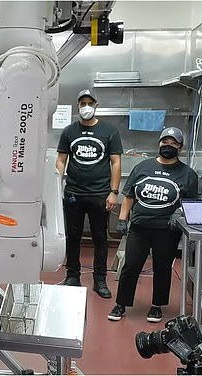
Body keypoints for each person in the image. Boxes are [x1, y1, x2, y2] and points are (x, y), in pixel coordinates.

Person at [108, 127, 198, 322]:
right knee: (131, 266)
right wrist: (123, 219)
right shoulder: (142, 168)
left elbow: (190, 205)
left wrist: (179, 213)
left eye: (173, 143)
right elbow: (129, 196)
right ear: (159, 144)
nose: (168, 146)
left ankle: (157, 306)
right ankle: (121, 303)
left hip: (167, 231)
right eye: (165, 142)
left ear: (180, 148)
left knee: (162, 268)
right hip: (139, 227)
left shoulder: (188, 174)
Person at [56, 89, 123, 298]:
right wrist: (57, 185)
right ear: (78, 106)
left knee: (100, 237)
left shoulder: (109, 132)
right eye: (82, 103)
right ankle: (72, 275)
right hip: (74, 193)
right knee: (73, 236)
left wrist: (113, 193)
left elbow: (116, 162)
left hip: (100, 194)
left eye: (89, 103)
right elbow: (61, 160)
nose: (86, 106)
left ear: (95, 105)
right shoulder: (68, 132)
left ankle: (100, 280)